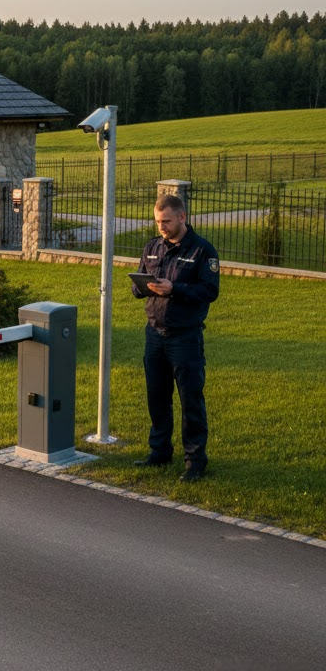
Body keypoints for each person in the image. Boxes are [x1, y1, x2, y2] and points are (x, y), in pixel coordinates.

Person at [131, 194, 220, 482]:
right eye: (158, 222)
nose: (161, 227)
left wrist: (175, 289)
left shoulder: (202, 251)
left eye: (166, 221)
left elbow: (209, 292)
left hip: (185, 337)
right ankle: (159, 452)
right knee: (157, 397)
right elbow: (139, 284)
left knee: (190, 398)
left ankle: (195, 461)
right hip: (154, 335)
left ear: (182, 217)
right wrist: (142, 287)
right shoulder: (152, 247)